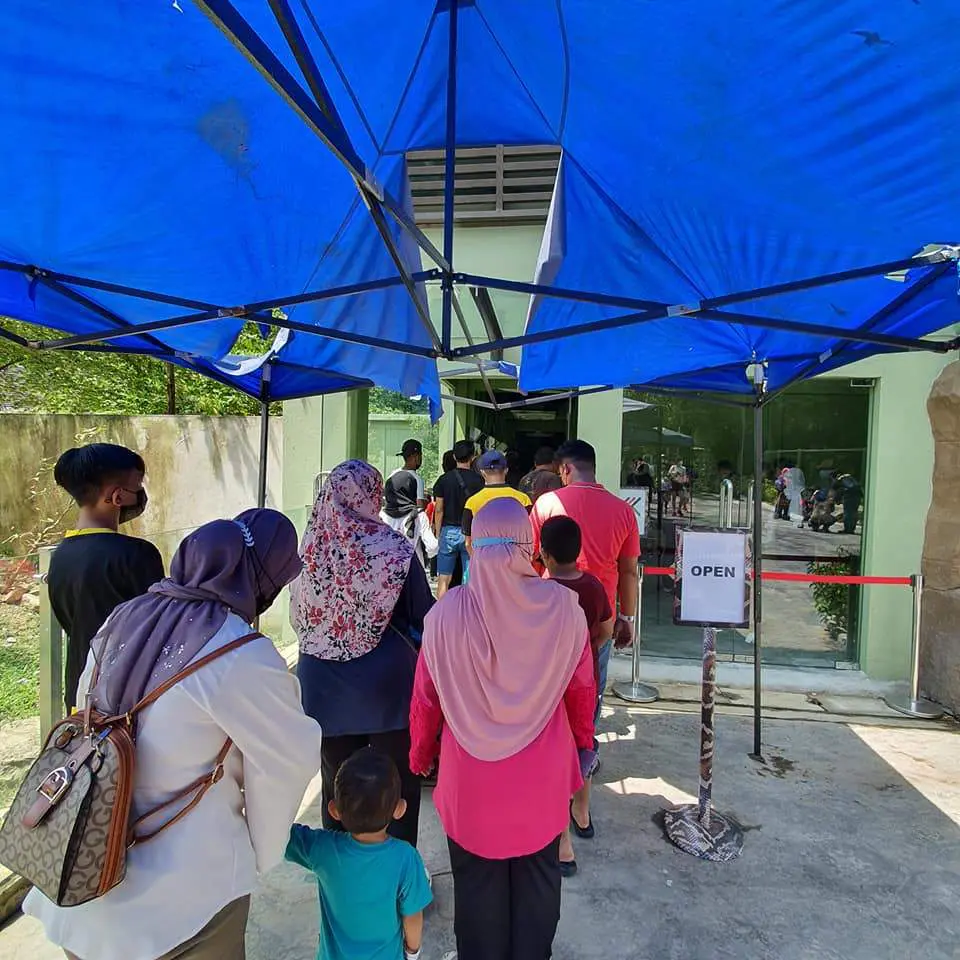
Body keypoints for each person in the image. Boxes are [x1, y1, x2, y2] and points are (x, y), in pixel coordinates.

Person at [25, 509, 323, 960]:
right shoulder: (239, 651)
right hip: (185, 902)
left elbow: (89, 710)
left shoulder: (123, 617)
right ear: (259, 579)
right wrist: (262, 852)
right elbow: (289, 759)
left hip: (81, 873)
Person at [409, 499, 596, 960]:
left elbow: (426, 700)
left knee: (476, 896)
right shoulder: (564, 608)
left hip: (470, 786)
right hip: (542, 784)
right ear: (528, 547)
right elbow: (581, 693)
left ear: (474, 547)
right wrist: (581, 748)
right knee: (538, 889)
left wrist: (420, 755)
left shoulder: (444, 615)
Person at [292, 460, 434, 849]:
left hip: (322, 687)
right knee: (398, 782)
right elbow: (423, 616)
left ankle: (340, 867)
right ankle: (399, 868)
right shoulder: (394, 549)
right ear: (372, 496)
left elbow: (298, 616)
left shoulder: (307, 552)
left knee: (338, 784)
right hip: (386, 687)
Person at [47, 443, 165, 712]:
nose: (141, 494)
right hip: (127, 697)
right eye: (137, 486)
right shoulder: (137, 555)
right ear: (117, 496)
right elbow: (158, 629)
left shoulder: (60, 555)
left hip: (80, 695)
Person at [286, 748, 433, 960]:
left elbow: (279, 836)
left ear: (334, 811)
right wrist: (412, 952)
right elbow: (413, 916)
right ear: (400, 809)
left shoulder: (322, 848)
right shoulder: (406, 858)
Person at [539, 516, 613, 878]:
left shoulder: (541, 590)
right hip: (586, 683)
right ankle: (582, 813)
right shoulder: (594, 586)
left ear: (544, 554)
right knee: (584, 743)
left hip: (550, 686)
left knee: (554, 753)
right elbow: (607, 629)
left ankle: (562, 841)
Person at [531, 439, 640, 650]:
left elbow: (528, 556)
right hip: (600, 616)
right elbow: (629, 571)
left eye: (561, 474)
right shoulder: (624, 511)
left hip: (552, 607)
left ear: (566, 468)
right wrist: (627, 617)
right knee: (593, 669)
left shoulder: (547, 504)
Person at [432, 440, 483, 598]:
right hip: (470, 533)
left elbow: (439, 509)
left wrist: (438, 532)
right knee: (468, 580)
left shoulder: (443, 480)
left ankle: (442, 610)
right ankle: (465, 610)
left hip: (448, 532)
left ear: (454, 457)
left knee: (444, 580)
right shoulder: (480, 481)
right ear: (472, 457)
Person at [462, 450, 532, 555]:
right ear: (506, 470)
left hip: (484, 559)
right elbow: (530, 536)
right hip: (516, 559)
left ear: (482, 472)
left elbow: (468, 543)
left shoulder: (472, 502)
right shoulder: (523, 500)